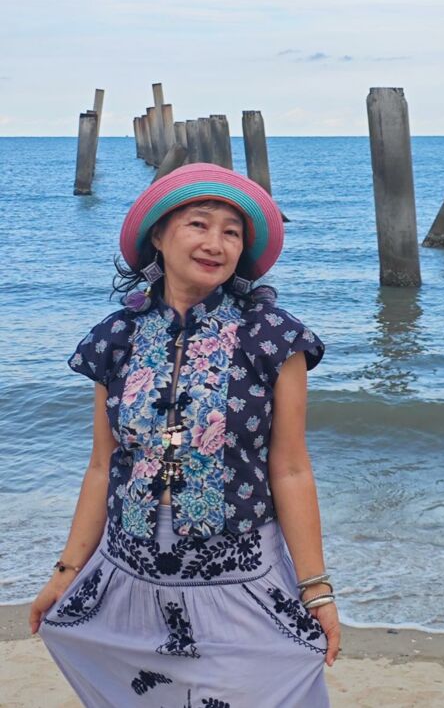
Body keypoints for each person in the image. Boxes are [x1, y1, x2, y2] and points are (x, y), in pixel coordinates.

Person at [30, 163, 340, 707]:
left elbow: (291, 468)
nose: (215, 244)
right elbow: (103, 466)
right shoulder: (116, 338)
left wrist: (315, 589)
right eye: (198, 224)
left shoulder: (273, 338)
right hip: (128, 579)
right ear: (158, 235)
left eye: (231, 232)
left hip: (240, 580)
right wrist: (66, 572)